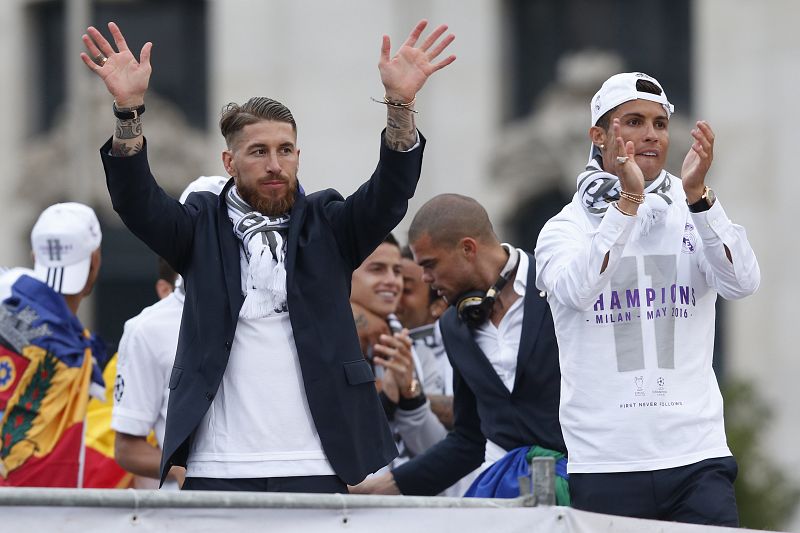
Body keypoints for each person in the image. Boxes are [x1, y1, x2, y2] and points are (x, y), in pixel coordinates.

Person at [81, 20, 455, 493]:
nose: (275, 165)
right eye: (258, 152)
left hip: (320, 462)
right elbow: (136, 204)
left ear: (299, 155)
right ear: (229, 162)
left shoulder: (330, 223)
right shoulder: (199, 225)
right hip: (218, 466)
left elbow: (390, 194)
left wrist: (400, 106)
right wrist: (128, 112)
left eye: (285, 151)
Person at [534, 72, 760, 525]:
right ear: (598, 136)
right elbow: (579, 291)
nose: (651, 134)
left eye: (659, 123)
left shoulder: (693, 204)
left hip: (698, 456)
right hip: (607, 463)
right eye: (634, 122)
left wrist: (699, 199)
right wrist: (627, 204)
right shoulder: (565, 227)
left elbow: (742, 282)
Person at [353, 194, 567, 501]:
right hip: (500, 496)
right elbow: (469, 440)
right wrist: (381, 487)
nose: (425, 278)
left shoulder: (558, 284)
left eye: (429, 265)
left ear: (468, 248)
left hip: (582, 490)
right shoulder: (453, 324)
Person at [112, 176, 228, 489]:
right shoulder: (147, 329)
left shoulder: (271, 313)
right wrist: (184, 470)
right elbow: (127, 448)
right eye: (206, 232)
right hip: (188, 516)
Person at [0, 203, 118, 487]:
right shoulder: (79, 353)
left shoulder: (6, 288)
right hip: (42, 514)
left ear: (34, 256)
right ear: (95, 262)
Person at [349, 234, 446, 471]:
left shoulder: (414, 352)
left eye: (397, 272)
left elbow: (436, 453)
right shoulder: (319, 340)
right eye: (377, 269)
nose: (393, 281)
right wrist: (385, 401)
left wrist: (409, 396)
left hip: (401, 500)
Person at [396, 246, 452, 428]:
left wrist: (403, 394)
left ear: (438, 306)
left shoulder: (457, 350)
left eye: (406, 289)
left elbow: (468, 415)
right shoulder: (364, 339)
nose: (393, 293)